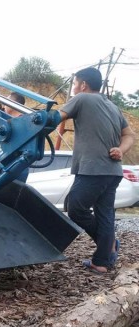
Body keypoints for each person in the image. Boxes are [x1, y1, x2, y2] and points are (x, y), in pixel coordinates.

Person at [59, 67, 135, 274]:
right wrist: (120, 149)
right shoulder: (112, 106)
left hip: (93, 169)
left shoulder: (82, 98)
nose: (74, 88)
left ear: (83, 85)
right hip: (112, 172)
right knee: (105, 215)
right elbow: (130, 135)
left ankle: (107, 245)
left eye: (74, 83)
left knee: (75, 207)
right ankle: (102, 261)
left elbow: (54, 118)